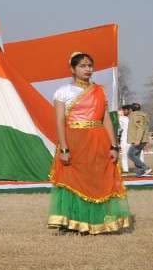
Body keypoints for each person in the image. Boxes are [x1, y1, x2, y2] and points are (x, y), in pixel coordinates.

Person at [48, 53, 131, 234]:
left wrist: (114, 145)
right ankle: (73, 222)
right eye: (83, 66)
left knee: (97, 179)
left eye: (90, 66)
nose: (87, 69)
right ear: (73, 69)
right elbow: (60, 121)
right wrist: (64, 148)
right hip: (74, 140)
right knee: (74, 180)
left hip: (98, 139)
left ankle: (98, 222)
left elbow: (107, 119)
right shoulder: (63, 92)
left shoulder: (100, 91)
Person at [126, 103, 152, 177]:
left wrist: (138, 140)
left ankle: (145, 168)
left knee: (130, 154)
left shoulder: (137, 116)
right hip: (140, 139)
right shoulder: (136, 115)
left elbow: (140, 128)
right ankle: (140, 172)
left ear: (131, 109)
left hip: (139, 140)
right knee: (136, 155)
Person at [117, 104, 132, 173]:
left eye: (124, 110)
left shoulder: (132, 118)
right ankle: (126, 170)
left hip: (133, 139)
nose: (123, 111)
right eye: (123, 110)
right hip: (124, 139)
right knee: (124, 155)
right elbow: (119, 129)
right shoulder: (121, 118)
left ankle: (141, 168)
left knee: (138, 154)